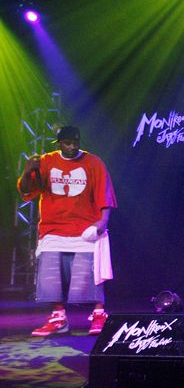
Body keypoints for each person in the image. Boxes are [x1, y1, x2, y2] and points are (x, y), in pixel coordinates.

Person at [17, 125, 117, 337]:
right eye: (67, 143)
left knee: (90, 275)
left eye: (76, 142)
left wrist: (103, 222)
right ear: (59, 143)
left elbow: (104, 193)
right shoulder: (46, 161)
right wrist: (28, 170)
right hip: (53, 228)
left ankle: (99, 314)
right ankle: (59, 317)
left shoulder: (93, 162)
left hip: (84, 228)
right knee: (52, 276)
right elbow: (27, 191)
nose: (72, 147)